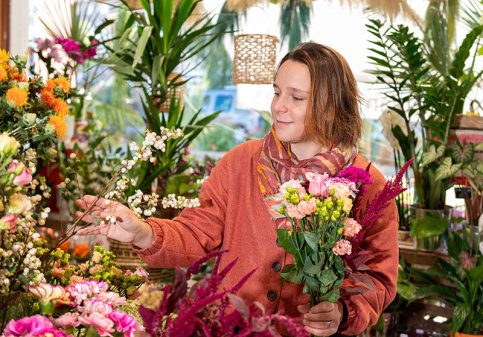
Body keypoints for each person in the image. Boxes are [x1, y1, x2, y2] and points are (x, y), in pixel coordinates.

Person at [76, 42, 398, 337]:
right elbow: (197, 234)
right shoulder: (240, 162)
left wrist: (342, 312)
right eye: (276, 92)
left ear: (330, 106)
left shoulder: (368, 185)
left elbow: (380, 278)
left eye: (296, 97)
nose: (278, 107)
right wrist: (141, 231)